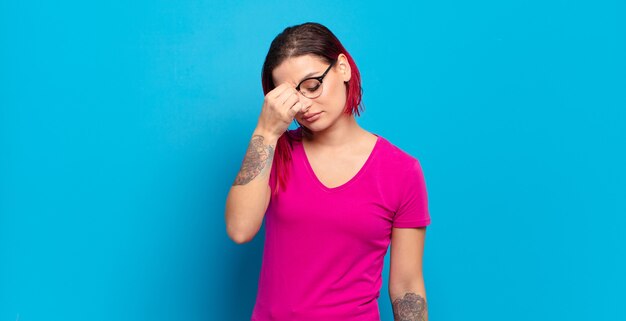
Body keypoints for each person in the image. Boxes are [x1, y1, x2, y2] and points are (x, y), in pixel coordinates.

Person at [225, 22, 431, 321]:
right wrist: (266, 132)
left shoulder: (401, 171)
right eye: (291, 96)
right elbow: (240, 229)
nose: (305, 104)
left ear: (343, 68)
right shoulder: (275, 153)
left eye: (312, 85)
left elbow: (407, 287)